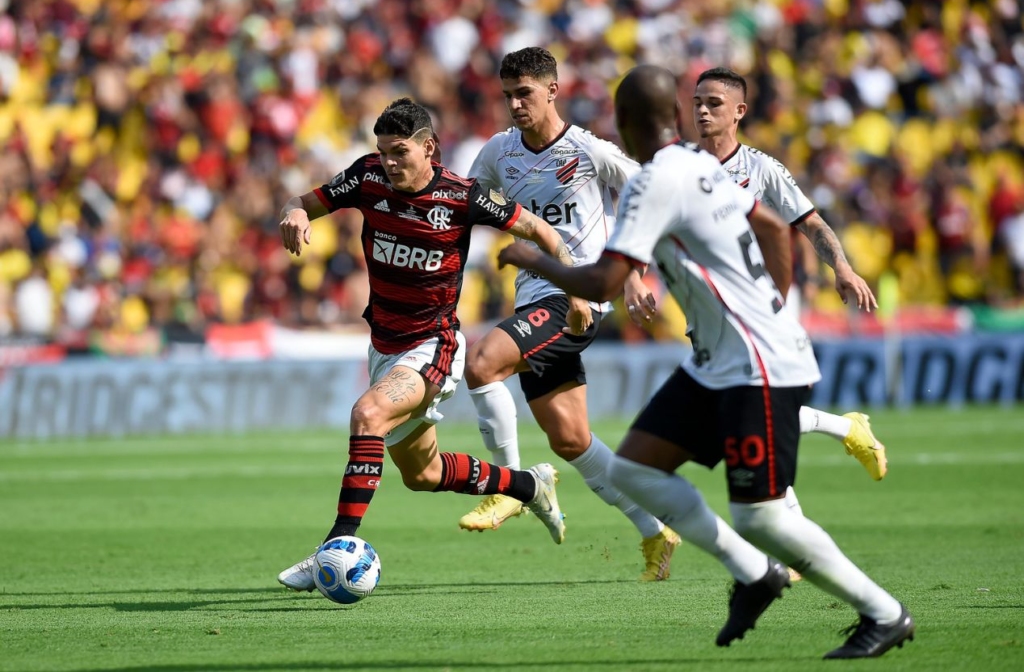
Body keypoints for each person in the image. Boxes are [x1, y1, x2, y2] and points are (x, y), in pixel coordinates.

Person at [498, 65, 915, 659]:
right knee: (634, 470)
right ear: (674, 111)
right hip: (718, 359)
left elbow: (603, 278)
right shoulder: (699, 165)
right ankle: (756, 575)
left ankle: (884, 612)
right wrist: (775, 299)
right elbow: (772, 227)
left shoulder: (657, 179)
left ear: (623, 122)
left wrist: (532, 259)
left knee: (763, 518)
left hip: (754, 360)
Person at [275, 98, 571, 592]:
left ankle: (336, 545)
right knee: (424, 473)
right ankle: (528, 484)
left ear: (429, 147)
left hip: (433, 345)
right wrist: (295, 214)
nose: (390, 162)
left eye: (400, 152)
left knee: (367, 415)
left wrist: (571, 284)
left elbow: (539, 230)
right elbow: (303, 202)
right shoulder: (367, 178)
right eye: (384, 152)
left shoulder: (464, 196)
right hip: (385, 348)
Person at [459, 47, 681, 581]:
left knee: (482, 362)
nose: (515, 104)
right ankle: (655, 530)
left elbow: (646, 197)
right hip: (534, 300)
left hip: (577, 299)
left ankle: (510, 487)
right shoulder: (497, 154)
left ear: (553, 90)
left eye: (525, 93)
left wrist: (628, 273)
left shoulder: (588, 151)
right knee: (572, 440)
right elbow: (465, 204)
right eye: (508, 94)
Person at [692, 67, 888, 482]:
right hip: (704, 306)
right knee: (732, 417)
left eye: (714, 104)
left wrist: (842, 267)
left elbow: (811, 223)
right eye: (697, 103)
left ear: (739, 111)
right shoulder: (681, 168)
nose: (703, 112)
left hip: (752, 304)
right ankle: (844, 429)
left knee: (743, 414)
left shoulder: (761, 169)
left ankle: (777, 527)